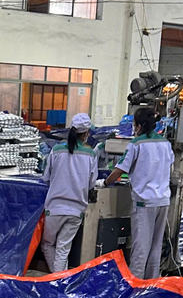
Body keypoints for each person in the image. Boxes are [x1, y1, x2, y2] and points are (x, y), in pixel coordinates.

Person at [104, 107, 174, 280]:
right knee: (155, 248)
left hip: (144, 202)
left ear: (139, 125)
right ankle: (151, 284)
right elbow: (169, 166)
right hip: (163, 201)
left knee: (140, 248)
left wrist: (104, 182)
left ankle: (135, 285)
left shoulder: (136, 144)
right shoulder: (166, 143)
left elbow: (120, 169)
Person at [40, 112, 98, 272]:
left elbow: (46, 177)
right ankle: (61, 278)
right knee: (63, 249)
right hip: (76, 210)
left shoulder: (56, 150)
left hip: (55, 208)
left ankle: (59, 278)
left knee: (47, 244)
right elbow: (91, 183)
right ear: (86, 134)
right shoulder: (91, 154)